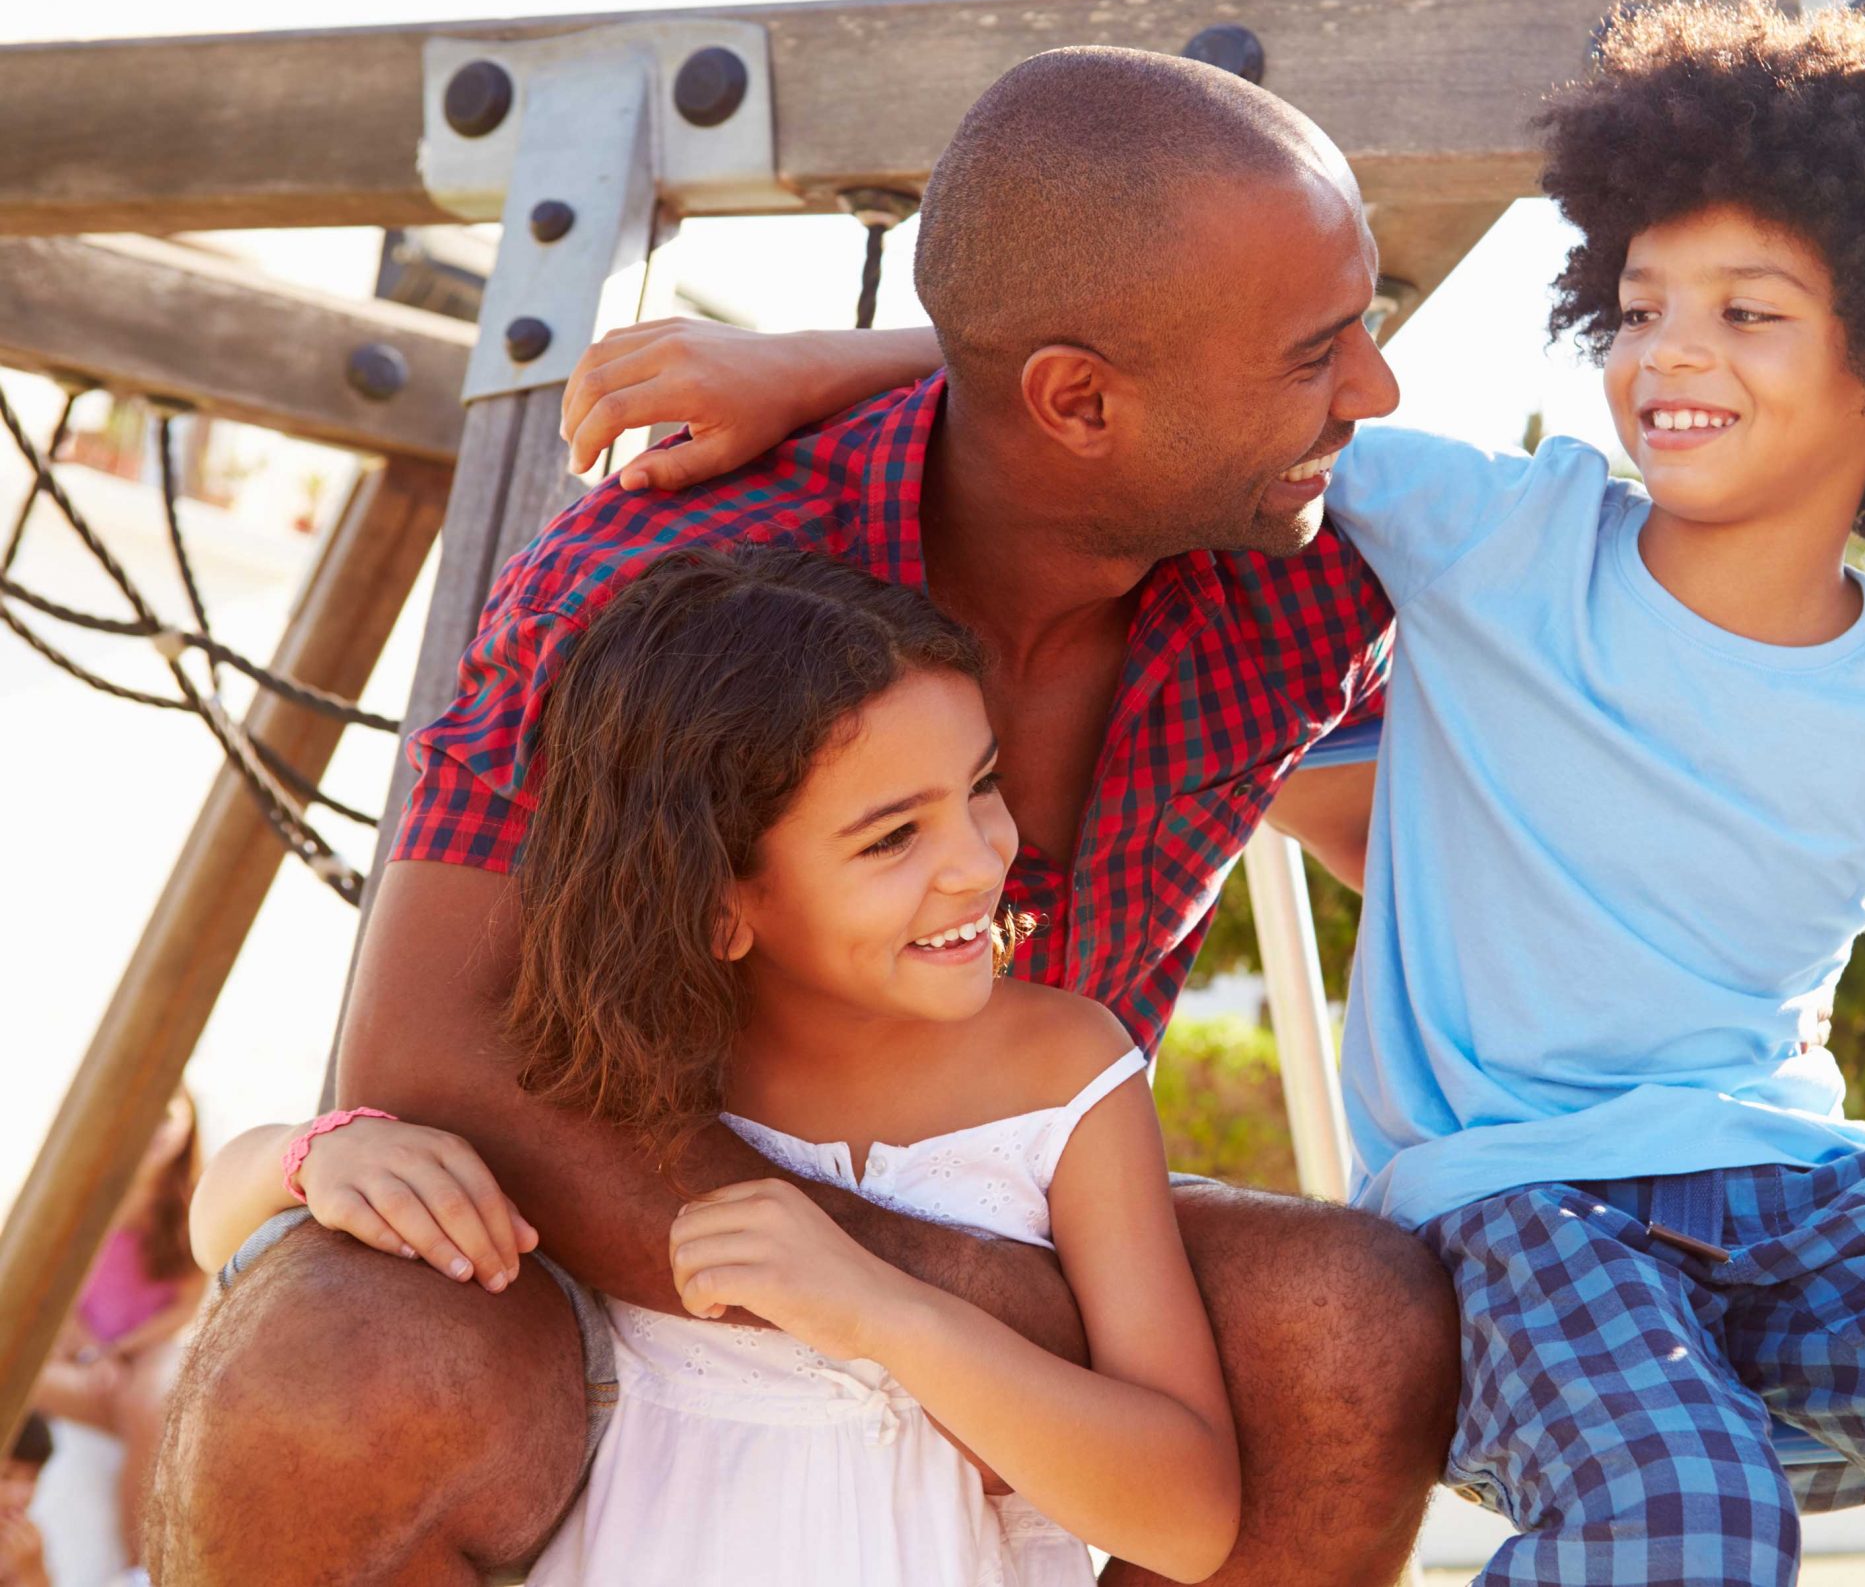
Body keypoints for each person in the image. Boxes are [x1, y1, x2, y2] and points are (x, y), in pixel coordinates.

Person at [588, 0, 1865, 1584]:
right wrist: (804, 358)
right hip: (1512, 1208)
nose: (1673, 352)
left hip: (1788, 1177)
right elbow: (1110, 380)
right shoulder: (1497, 536)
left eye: (1749, 312)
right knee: (1681, 1500)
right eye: (1646, 304)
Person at [151, 47, 1452, 1587]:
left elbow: (1690, 518)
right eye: (1317, 352)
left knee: (1352, 1326)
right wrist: (973, 1302)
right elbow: (424, 1058)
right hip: (617, 1260)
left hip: (1042, 1275)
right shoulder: (673, 567)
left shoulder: (1305, 565)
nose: (1374, 387)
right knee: (337, 1351)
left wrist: (851, 351)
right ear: (1077, 397)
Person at [189, 547, 1239, 1584]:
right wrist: (312, 1154)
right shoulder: (621, 1077)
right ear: (717, 904)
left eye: (981, 786)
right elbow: (218, 1232)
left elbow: (1188, 1521)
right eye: (891, 840)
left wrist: (886, 1313)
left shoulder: (1066, 1069)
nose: (976, 860)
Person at [30, 1090, 202, 1563]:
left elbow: (188, 1303)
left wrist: (120, 1353)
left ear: (188, 1121)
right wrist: (88, 1352)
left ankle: (140, 1562)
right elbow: (62, 1290)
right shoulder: (86, 1192)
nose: (155, 1127)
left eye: (166, 1114)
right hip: (81, 1343)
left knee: (147, 1403)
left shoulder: (193, 1198)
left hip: (152, 1346)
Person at [1, 1417, 55, 1587]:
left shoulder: (26, 1548)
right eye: (5, 1476)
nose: (21, 1495)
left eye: (32, 1478)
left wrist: (33, 1575)